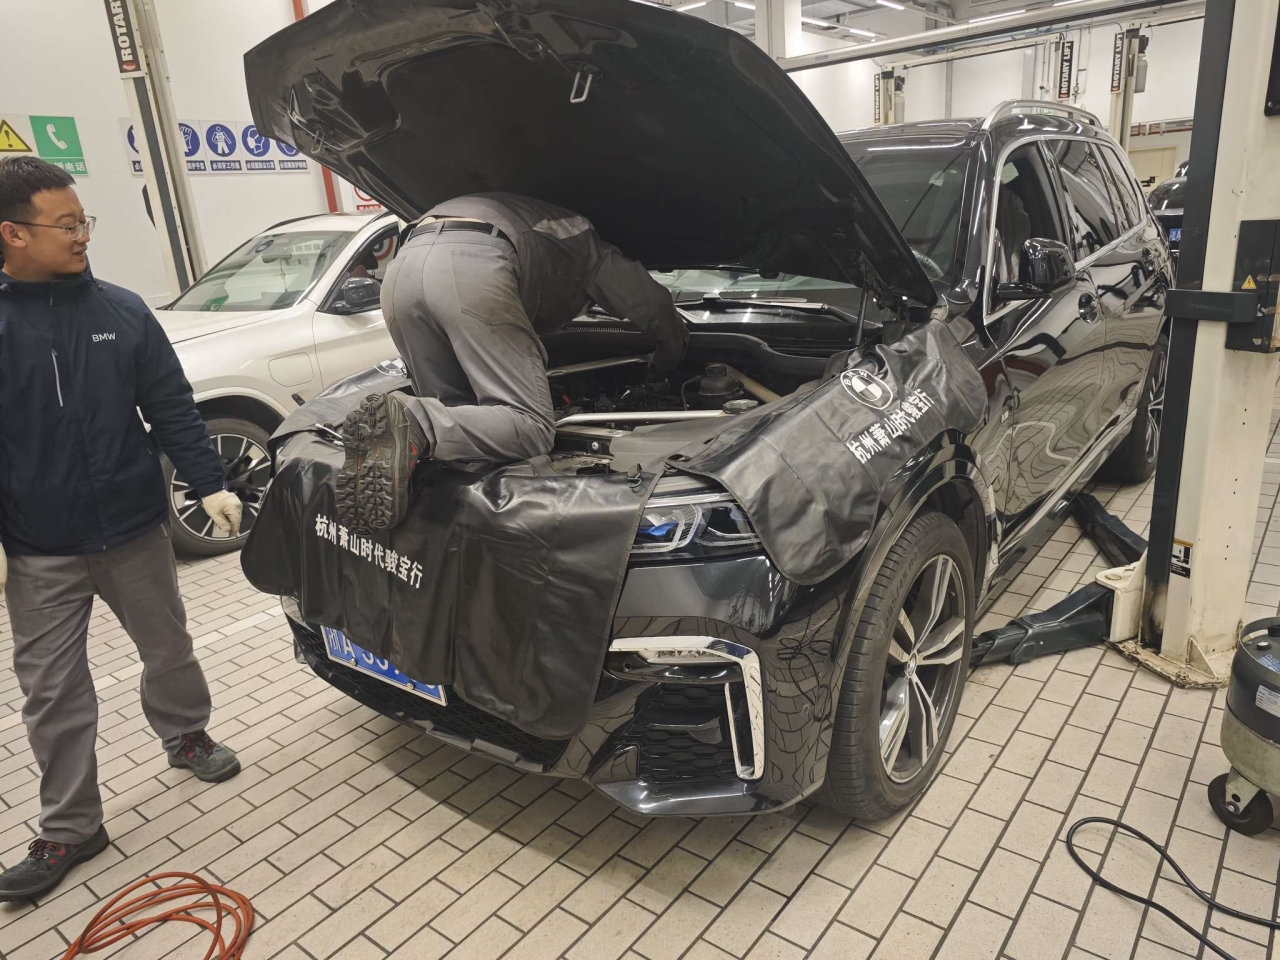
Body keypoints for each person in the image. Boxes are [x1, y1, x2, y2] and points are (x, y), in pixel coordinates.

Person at [0, 157, 244, 900]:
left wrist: (210, 483)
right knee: (52, 691)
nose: (82, 235)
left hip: (134, 528)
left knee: (168, 647)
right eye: (66, 224)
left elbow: (171, 407)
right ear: (13, 233)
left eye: (84, 221)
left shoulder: (122, 311)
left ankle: (186, 734)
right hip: (40, 547)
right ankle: (73, 826)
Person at [336, 192, 688, 533]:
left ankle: (424, 490)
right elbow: (650, 303)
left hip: (403, 269)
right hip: (473, 264)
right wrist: (672, 355)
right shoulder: (590, 243)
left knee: (457, 424)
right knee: (531, 426)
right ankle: (416, 420)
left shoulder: (535, 215)